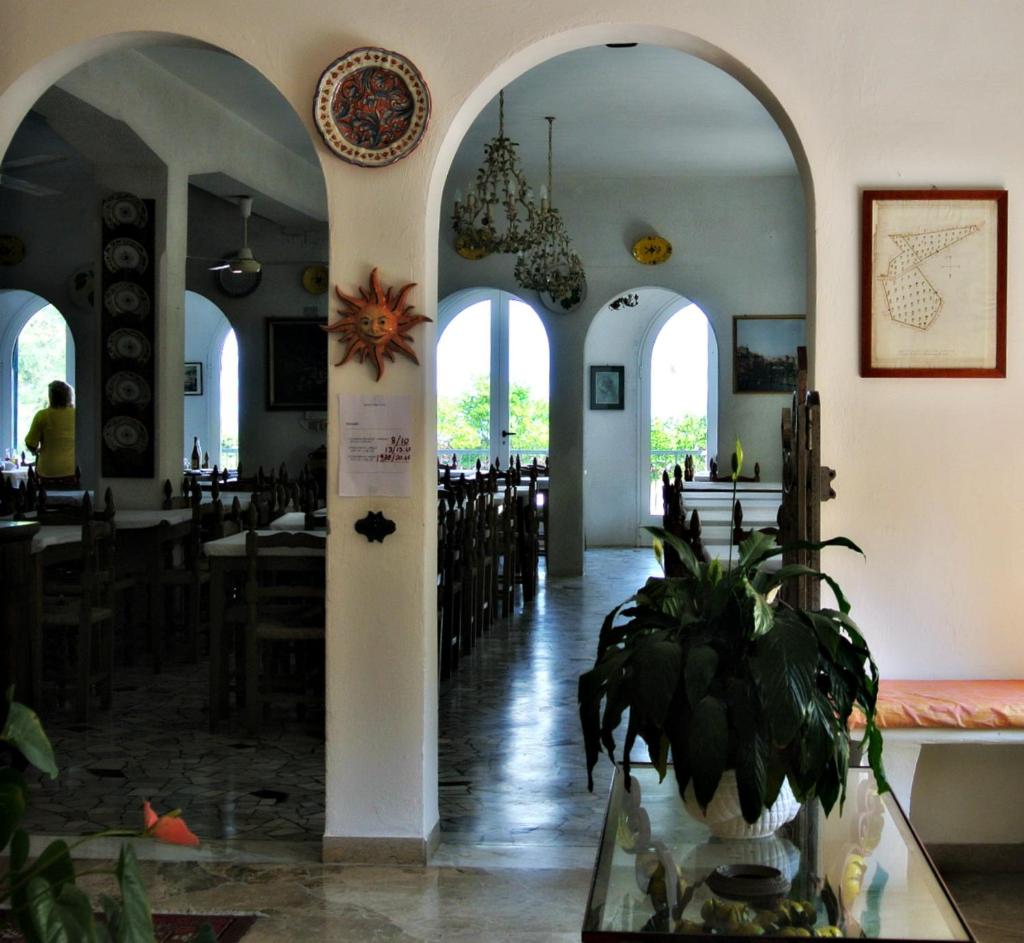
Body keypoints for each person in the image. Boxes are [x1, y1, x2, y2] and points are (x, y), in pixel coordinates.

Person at [24, 380, 77, 487]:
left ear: (51, 397)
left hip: (47, 470)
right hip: (72, 469)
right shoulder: (77, 414)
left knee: (46, 496)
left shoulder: (42, 415)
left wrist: (36, 452)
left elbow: (30, 443)